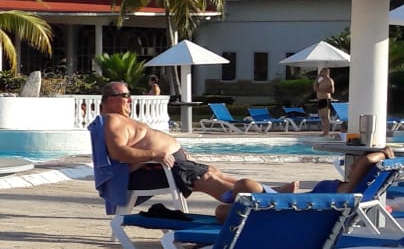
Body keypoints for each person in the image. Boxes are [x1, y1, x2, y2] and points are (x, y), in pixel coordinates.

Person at [99, 81, 295, 219]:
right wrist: (155, 155)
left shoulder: (120, 120)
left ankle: (266, 193)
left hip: (165, 164)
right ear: (111, 99)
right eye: (126, 96)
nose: (130, 100)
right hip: (154, 169)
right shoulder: (112, 120)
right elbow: (118, 153)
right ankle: (264, 204)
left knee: (213, 172)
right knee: (207, 178)